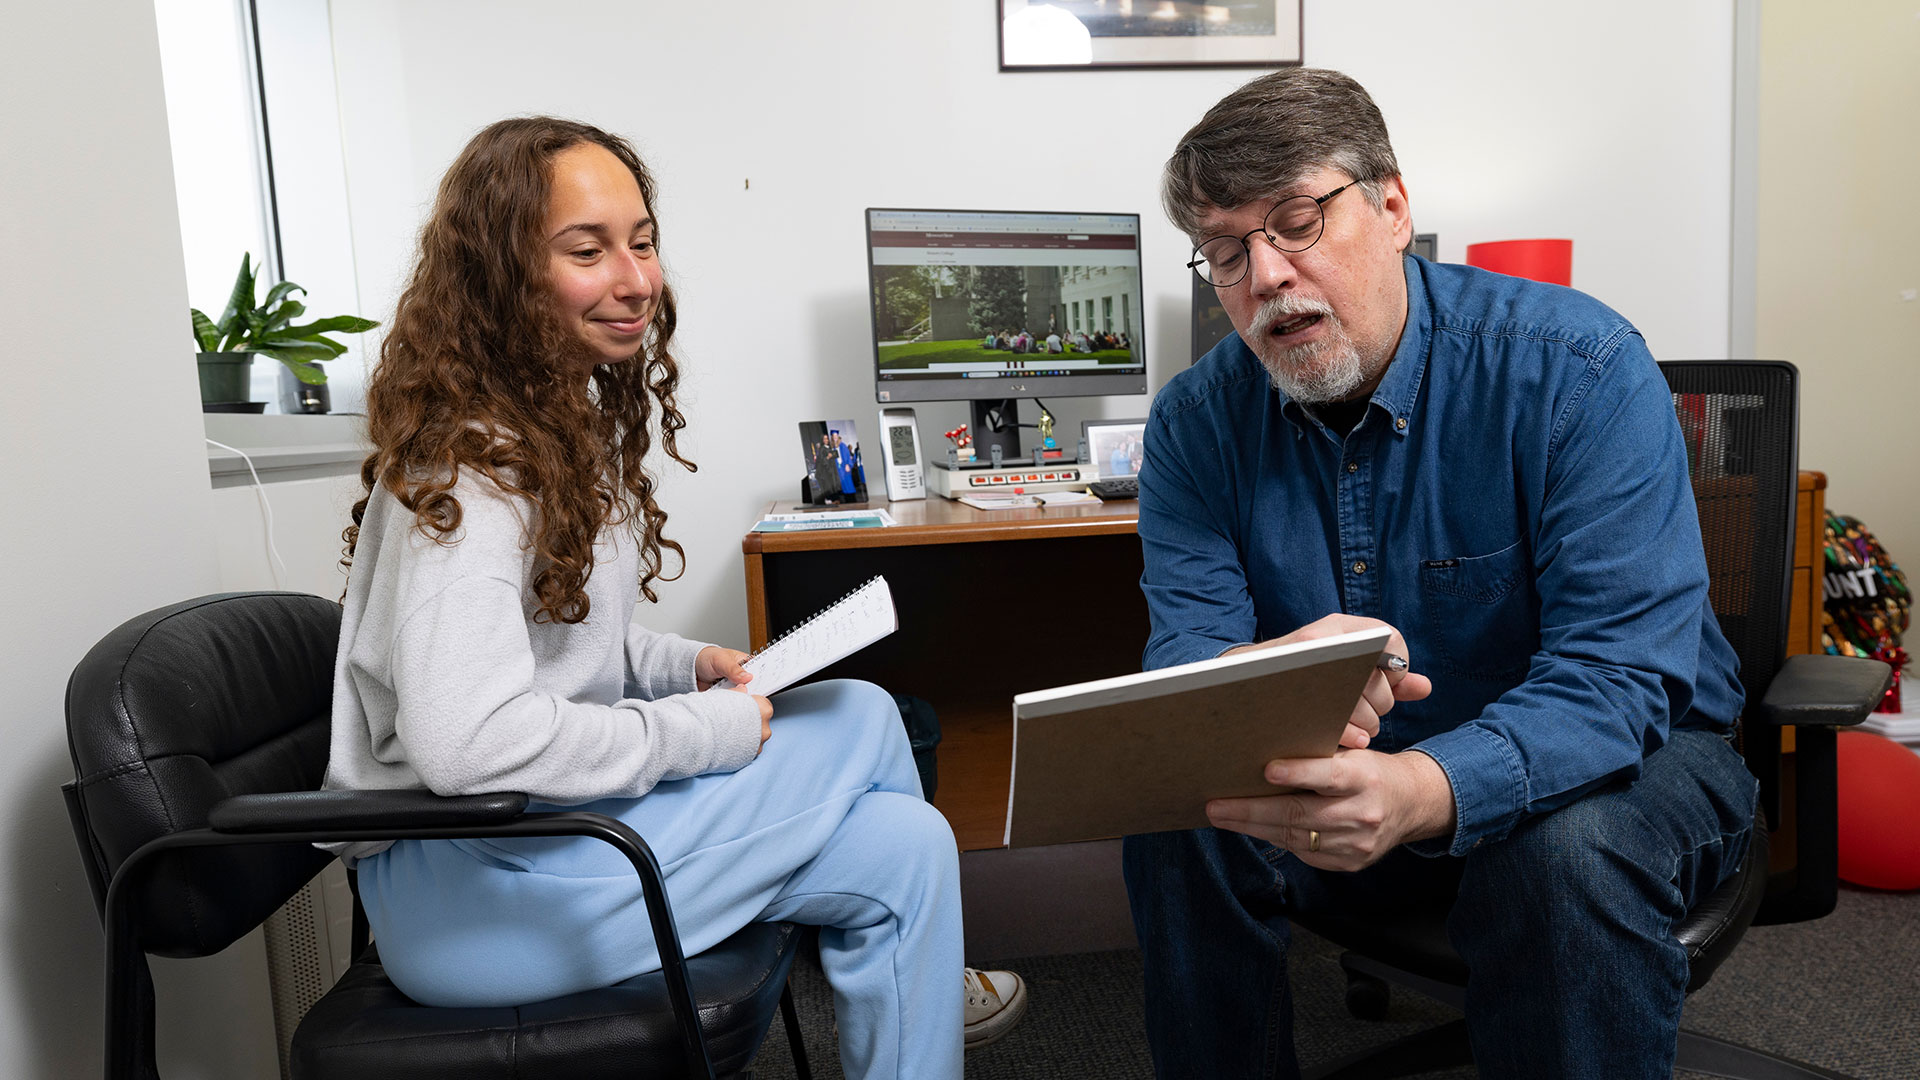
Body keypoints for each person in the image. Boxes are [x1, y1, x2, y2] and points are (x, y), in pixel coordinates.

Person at [323, 117, 1027, 1079]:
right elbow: (467, 744)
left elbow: (562, 634)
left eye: (642, 242)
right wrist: (700, 729)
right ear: (503, 275)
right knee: (864, 716)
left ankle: (933, 999)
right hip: (476, 899)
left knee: (904, 848)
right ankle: (946, 981)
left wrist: (678, 664)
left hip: (540, 857)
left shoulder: (548, 432)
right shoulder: (473, 470)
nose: (635, 279)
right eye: (587, 250)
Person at [1125, 69, 1755, 1080]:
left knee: (1562, 853)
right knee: (1182, 822)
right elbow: (1190, 671)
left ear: (1392, 207)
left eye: (1296, 223)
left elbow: (1621, 680)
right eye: (1228, 253)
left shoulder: (1578, 368)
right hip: (1360, 781)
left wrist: (1424, 786)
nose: (1268, 277)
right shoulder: (1197, 424)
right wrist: (1276, 670)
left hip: (1627, 765)